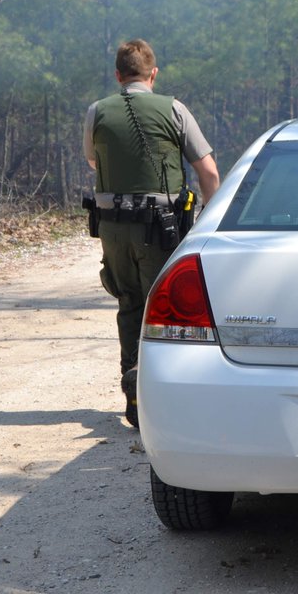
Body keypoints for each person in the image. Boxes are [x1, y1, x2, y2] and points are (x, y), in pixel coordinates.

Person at [83, 39, 220, 428]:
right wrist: (211, 219)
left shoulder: (98, 112)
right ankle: (167, 395)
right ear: (153, 74)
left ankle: (135, 390)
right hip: (162, 228)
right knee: (167, 310)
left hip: (113, 229)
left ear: (117, 75)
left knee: (129, 303)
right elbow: (208, 172)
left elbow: (94, 160)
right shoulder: (174, 109)